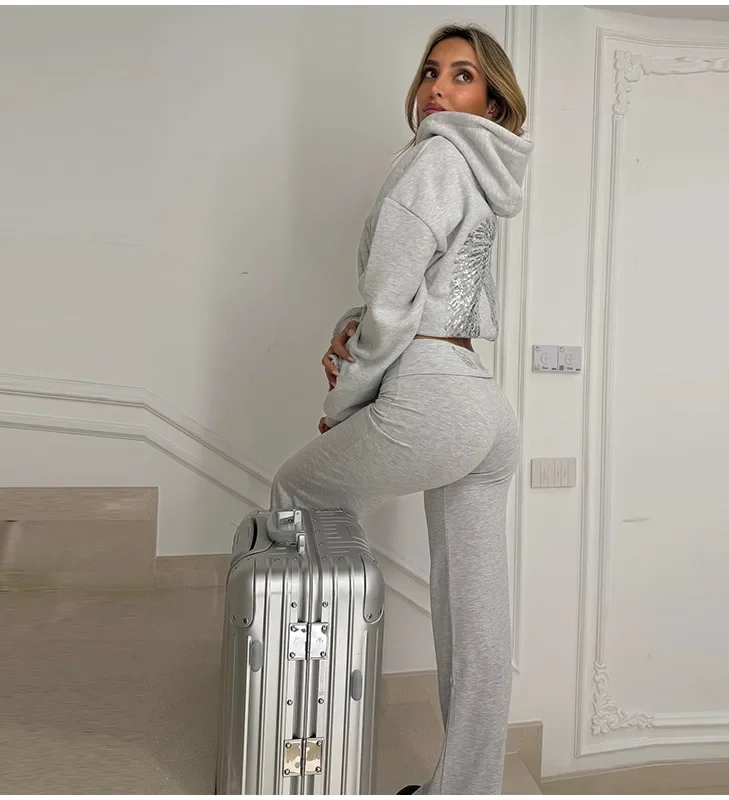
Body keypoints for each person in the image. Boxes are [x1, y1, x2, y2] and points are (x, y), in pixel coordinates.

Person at [270, 22, 532, 796]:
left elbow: (392, 305)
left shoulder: (436, 157)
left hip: (432, 392)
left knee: (295, 493)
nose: (436, 88)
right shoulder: (484, 171)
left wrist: (345, 399)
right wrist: (357, 326)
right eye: (430, 71)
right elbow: (440, 298)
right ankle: (469, 788)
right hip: (483, 404)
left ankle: (299, 735)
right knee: (475, 619)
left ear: (491, 101)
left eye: (462, 76)